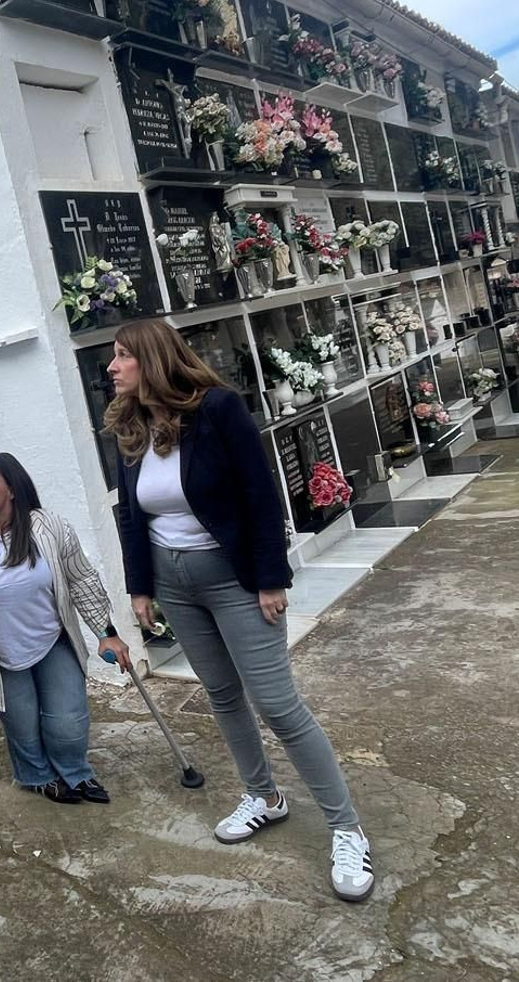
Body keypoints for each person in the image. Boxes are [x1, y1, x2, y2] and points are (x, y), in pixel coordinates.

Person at [103, 320, 374, 902]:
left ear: (152, 359)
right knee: (221, 694)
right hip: (175, 584)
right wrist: (140, 589)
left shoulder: (219, 410)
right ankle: (264, 796)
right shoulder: (131, 428)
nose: (112, 367)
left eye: (122, 356)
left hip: (233, 581)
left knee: (278, 703)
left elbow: (260, 493)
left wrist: (271, 577)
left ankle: (346, 828)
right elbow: (132, 515)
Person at [0, 452, 132, 804]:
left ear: (12, 488)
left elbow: (81, 580)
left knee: (68, 722)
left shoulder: (50, 529)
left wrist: (106, 632)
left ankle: (75, 773)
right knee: (24, 728)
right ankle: (36, 776)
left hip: (51, 641)